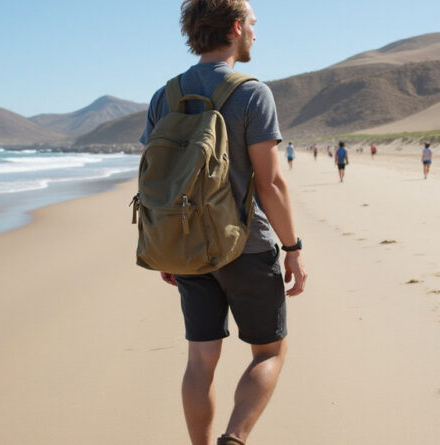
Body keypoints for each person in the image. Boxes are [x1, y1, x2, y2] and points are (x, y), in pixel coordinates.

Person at [139, 2, 307, 444]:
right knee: (269, 351)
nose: (255, 33)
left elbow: (158, 178)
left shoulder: (165, 95)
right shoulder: (252, 93)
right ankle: (234, 439)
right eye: (252, 24)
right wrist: (293, 249)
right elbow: (271, 183)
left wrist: (165, 245)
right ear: (235, 28)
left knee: (200, 361)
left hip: (188, 247)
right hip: (247, 245)